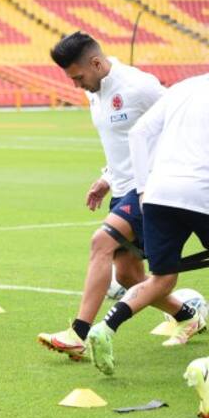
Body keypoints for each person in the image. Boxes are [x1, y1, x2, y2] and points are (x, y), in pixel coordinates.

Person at [37, 32, 198, 360]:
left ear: (96, 63)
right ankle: (188, 316)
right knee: (128, 276)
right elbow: (123, 143)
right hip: (122, 190)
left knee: (101, 241)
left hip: (149, 189)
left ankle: (77, 333)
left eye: (78, 77)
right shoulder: (94, 91)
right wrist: (107, 177)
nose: (76, 85)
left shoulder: (140, 86)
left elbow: (176, 122)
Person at [85, 73, 209, 377]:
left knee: (162, 279)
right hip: (201, 189)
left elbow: (139, 133)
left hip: (156, 192)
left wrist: (142, 189)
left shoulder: (182, 87)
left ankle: (106, 327)